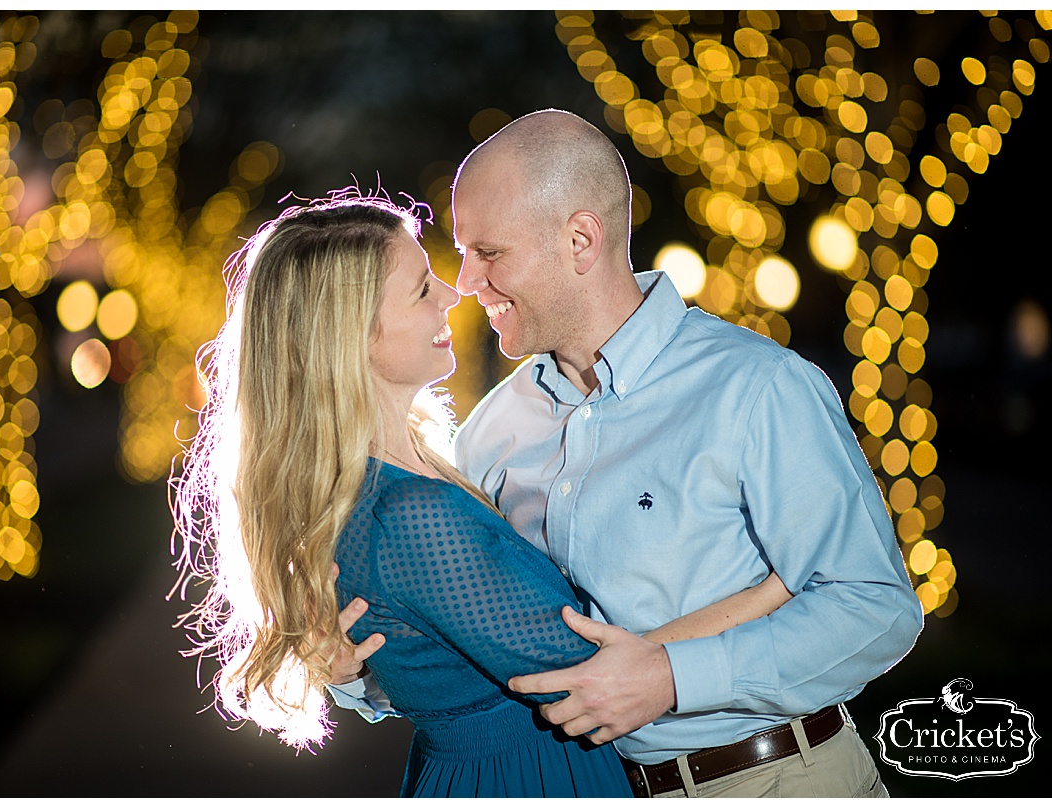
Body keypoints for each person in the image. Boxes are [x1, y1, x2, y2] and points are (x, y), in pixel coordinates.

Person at [335, 110, 925, 798]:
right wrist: (356, 676)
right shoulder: (492, 430)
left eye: (490, 253)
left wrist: (675, 677)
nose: (465, 281)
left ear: (581, 239)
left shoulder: (757, 387)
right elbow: (473, 640)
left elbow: (876, 606)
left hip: (773, 779)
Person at [170, 192, 792, 798]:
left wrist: (360, 674)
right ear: (350, 335)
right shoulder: (409, 513)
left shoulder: (425, 467)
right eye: (421, 289)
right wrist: (774, 589)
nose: (453, 293)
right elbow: (590, 675)